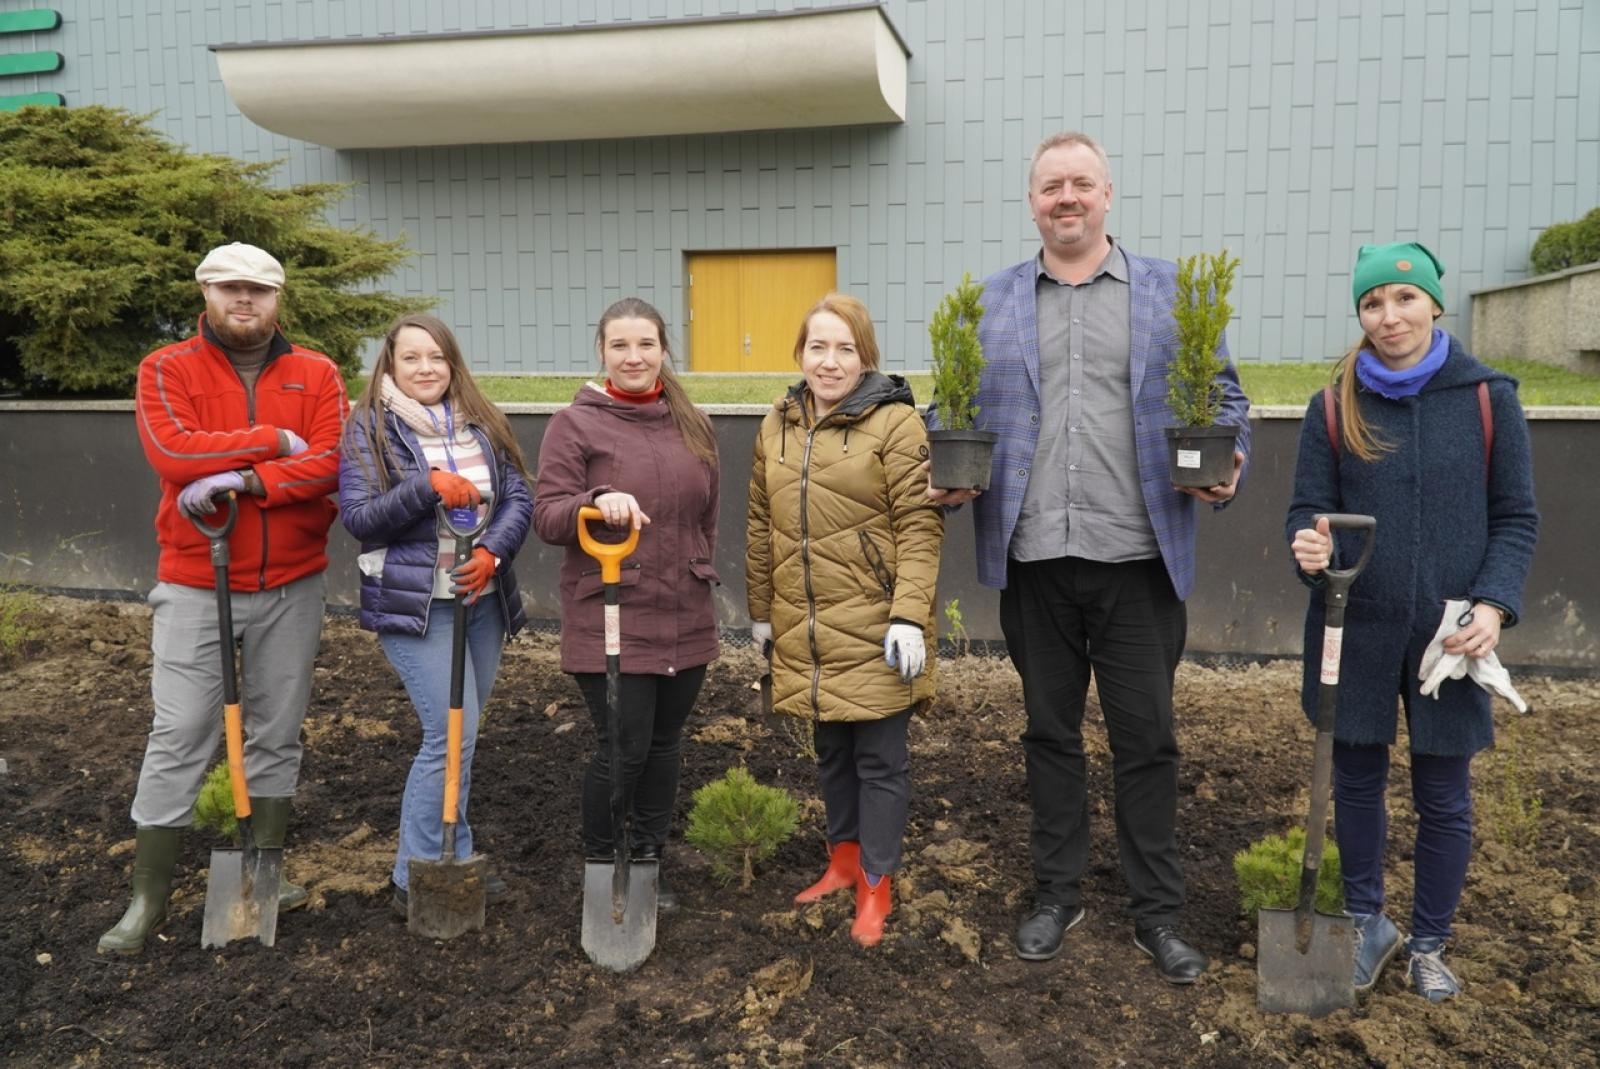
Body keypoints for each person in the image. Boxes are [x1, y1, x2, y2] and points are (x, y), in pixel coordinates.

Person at [926, 132, 1251, 982]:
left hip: (1138, 561)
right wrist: (943, 464)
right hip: (1034, 561)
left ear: (1108, 192)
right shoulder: (991, 302)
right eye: (1049, 187)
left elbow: (1224, 398)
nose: (1065, 198)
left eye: (1080, 184)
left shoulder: (1171, 294)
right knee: (1049, 734)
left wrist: (1234, 459)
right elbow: (946, 405)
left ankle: (1157, 912)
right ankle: (1056, 894)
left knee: (1148, 742)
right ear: (1031, 200)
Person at [1286, 242, 1538, 1002]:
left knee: (1444, 796)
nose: (1387, 316)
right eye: (1371, 303)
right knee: (1356, 784)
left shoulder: (1489, 398)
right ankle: (1369, 920)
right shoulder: (1335, 404)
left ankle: (1429, 940)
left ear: (1435, 302)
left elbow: (1516, 518)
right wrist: (1308, 546)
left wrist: (1493, 605)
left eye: (1402, 299)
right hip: (1353, 625)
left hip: (1450, 638)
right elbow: (1308, 511)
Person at [102, 242, 347, 955]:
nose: (247, 302)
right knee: (180, 732)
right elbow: (173, 454)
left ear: (280, 299)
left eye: (261, 291)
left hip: (294, 582)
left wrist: (250, 480)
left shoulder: (316, 371)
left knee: (277, 731)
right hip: (194, 581)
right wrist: (272, 440)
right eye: (232, 289)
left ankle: (263, 874)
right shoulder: (165, 368)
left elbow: (330, 461)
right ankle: (147, 897)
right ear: (206, 292)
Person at [747, 293, 945, 948]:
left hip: (877, 623)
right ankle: (841, 862)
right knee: (830, 751)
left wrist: (910, 615)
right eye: (818, 347)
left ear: (866, 356)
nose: (830, 361)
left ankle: (876, 885)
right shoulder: (776, 424)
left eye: (845, 349)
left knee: (879, 759)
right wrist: (762, 613)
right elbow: (759, 526)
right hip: (805, 625)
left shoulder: (896, 425)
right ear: (800, 353)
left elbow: (920, 526)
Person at [338, 313, 533, 916]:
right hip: (417, 607)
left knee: (462, 738)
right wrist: (426, 488)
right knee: (449, 737)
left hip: (480, 603)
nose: (426, 369)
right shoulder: (369, 428)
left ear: (453, 363)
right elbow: (361, 518)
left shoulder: (483, 422)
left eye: (437, 358)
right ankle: (415, 872)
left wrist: (496, 554)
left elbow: (518, 496)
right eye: (411, 359)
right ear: (390, 365)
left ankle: (454, 850)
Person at [532, 298, 720, 911]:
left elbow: (706, 520)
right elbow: (548, 516)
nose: (634, 357)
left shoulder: (691, 421)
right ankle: (602, 861)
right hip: (611, 609)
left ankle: (647, 859)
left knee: (664, 744)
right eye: (620, 345)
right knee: (623, 746)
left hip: (683, 612)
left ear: (665, 349)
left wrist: (699, 574)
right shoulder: (576, 424)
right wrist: (597, 497)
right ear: (602, 352)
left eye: (645, 344)